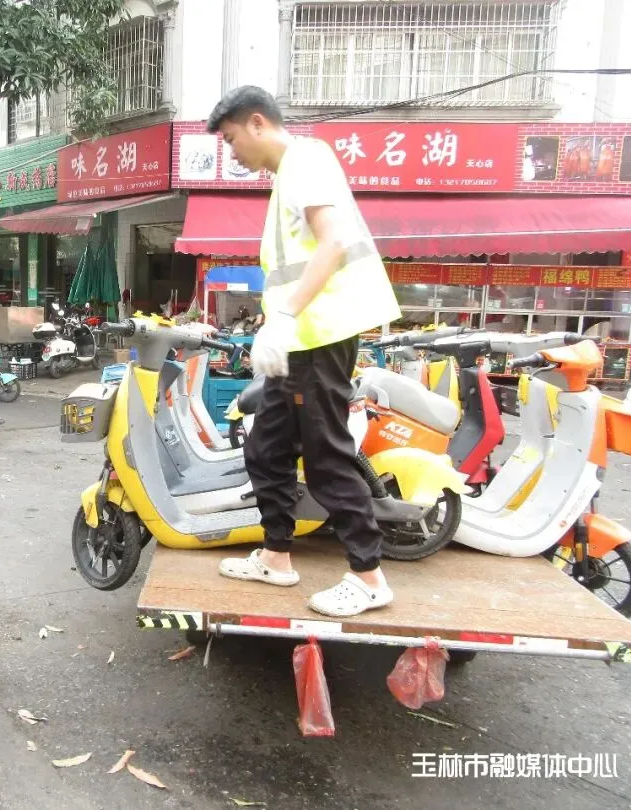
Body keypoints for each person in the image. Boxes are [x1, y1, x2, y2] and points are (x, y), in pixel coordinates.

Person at [208, 86, 402, 618]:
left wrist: (287, 316)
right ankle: (276, 556)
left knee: (326, 455)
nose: (231, 153)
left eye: (230, 140)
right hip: (299, 339)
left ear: (256, 123)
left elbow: (334, 242)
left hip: (323, 334)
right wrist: (276, 326)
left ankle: (368, 576)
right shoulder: (286, 177)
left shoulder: (307, 159)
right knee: (266, 445)